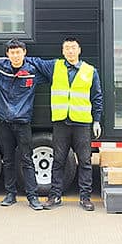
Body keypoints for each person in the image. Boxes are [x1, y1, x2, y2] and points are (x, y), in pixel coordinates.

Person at [0, 39, 50, 211]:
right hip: (3, 121)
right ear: (7, 54)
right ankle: (10, 194)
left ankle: (33, 197)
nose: (15, 55)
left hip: (23, 122)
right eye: (12, 52)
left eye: (18, 52)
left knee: (27, 159)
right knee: (8, 160)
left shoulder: (32, 71)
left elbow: (52, 71)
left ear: (24, 53)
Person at [42, 37, 103, 211]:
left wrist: (97, 120)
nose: (70, 51)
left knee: (85, 161)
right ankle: (55, 196)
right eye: (67, 48)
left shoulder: (90, 71)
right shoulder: (55, 67)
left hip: (82, 123)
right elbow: (36, 63)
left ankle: (85, 198)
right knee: (58, 160)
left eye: (73, 47)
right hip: (61, 122)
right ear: (63, 51)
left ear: (79, 50)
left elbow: (97, 96)